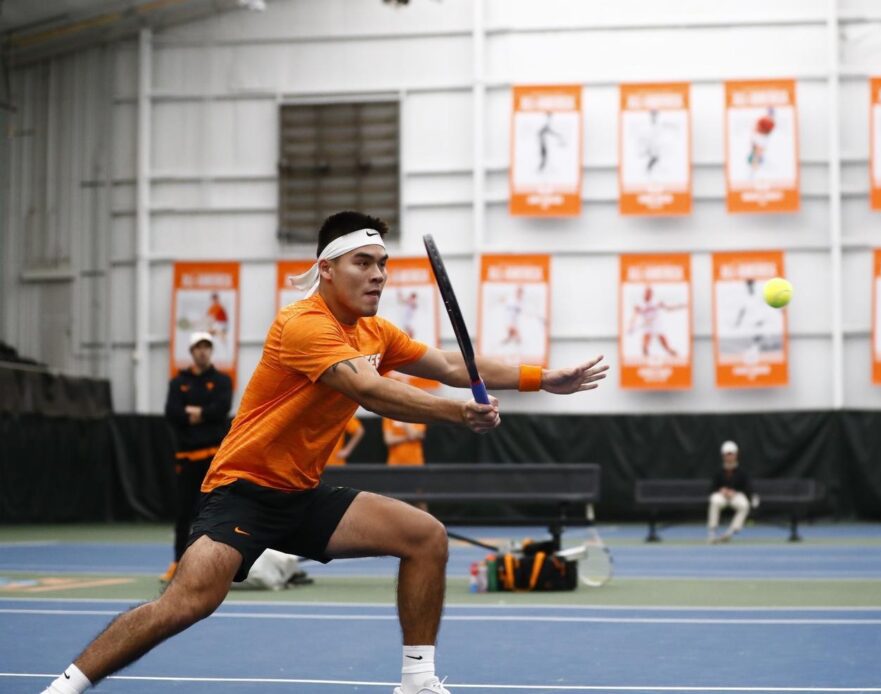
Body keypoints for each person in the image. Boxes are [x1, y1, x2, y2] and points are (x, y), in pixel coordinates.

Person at [40, 211, 608, 694]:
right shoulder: (302, 324)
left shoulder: (376, 333)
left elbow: (453, 366)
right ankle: (64, 687)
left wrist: (543, 378)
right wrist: (458, 414)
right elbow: (369, 391)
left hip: (301, 495)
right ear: (326, 269)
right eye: (364, 262)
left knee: (425, 537)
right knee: (188, 601)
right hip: (241, 491)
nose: (379, 274)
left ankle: (416, 680)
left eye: (383, 263)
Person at [161, 331, 234, 583]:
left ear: (210, 351)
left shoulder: (222, 381)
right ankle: (178, 563)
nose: (202, 351)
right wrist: (203, 413)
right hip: (187, 458)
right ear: (191, 352)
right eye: (198, 347)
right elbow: (172, 413)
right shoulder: (178, 382)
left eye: (206, 347)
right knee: (184, 513)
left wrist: (195, 412)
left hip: (214, 459)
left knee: (215, 512)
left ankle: (214, 566)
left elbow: (221, 410)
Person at [707, 440, 753, 544]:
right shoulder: (718, 472)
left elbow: (747, 488)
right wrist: (721, 490)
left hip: (735, 496)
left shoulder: (742, 472)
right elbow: (712, 488)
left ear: (736, 455)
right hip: (722, 497)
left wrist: (734, 492)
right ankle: (712, 533)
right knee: (714, 500)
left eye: (731, 454)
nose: (729, 457)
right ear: (723, 456)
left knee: (744, 504)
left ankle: (730, 532)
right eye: (727, 454)